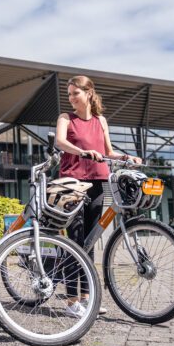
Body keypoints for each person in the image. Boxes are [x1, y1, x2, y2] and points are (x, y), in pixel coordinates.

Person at [56, 75, 142, 318]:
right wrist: (83, 151)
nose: (72, 98)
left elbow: (108, 151)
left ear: (89, 93)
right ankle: (72, 300)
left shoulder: (100, 120)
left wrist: (127, 158)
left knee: (90, 241)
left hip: (98, 182)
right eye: (70, 94)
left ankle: (87, 298)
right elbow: (60, 142)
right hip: (73, 182)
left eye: (76, 93)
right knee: (74, 239)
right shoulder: (65, 118)